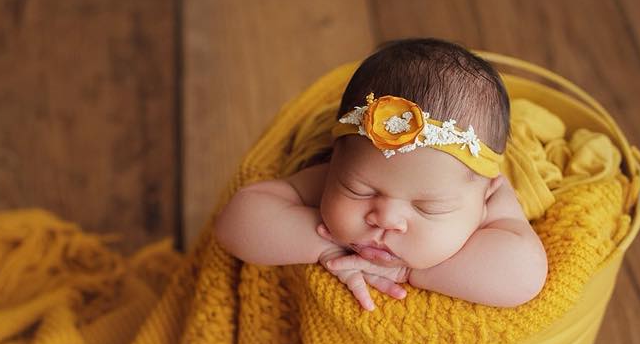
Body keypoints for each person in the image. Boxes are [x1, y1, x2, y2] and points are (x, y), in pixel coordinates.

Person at [213, 38, 548, 311]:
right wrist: (324, 246)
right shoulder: (341, 170)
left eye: (427, 207)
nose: (385, 218)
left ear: (486, 194)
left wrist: (409, 271)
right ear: (337, 160)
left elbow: (523, 275)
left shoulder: (492, 196)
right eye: (360, 190)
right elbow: (236, 222)